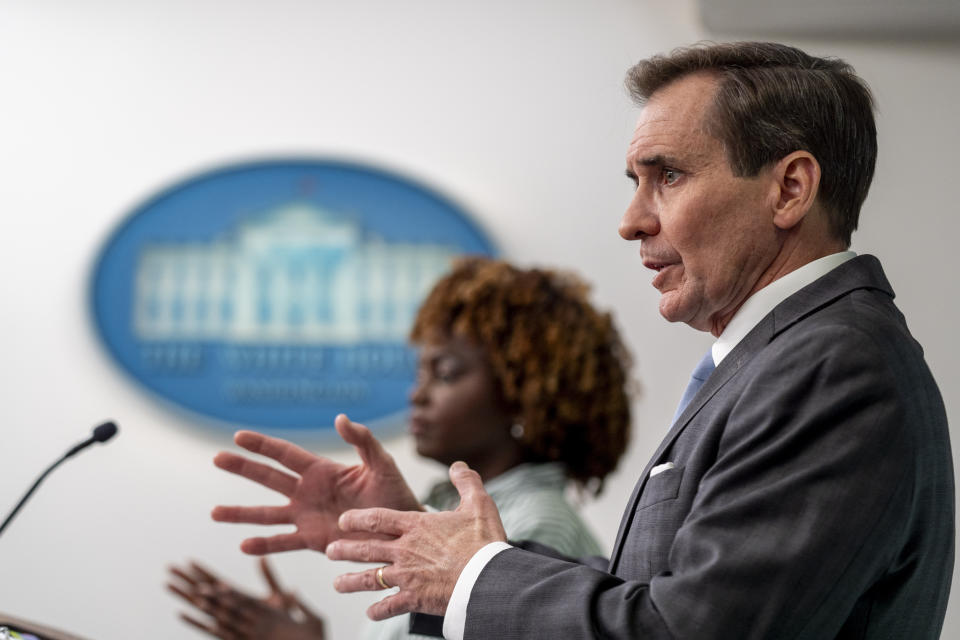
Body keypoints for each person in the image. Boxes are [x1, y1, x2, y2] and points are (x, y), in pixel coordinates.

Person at [216, 41, 955, 639]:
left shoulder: (834, 365)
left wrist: (469, 574)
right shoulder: (783, 357)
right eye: (635, 180)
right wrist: (423, 535)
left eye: (667, 176)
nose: (631, 220)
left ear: (790, 189)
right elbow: (640, 595)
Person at [181, 257, 632, 638]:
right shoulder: (457, 515)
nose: (418, 394)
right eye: (421, 374)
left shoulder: (538, 525)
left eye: (447, 373)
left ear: (524, 396)